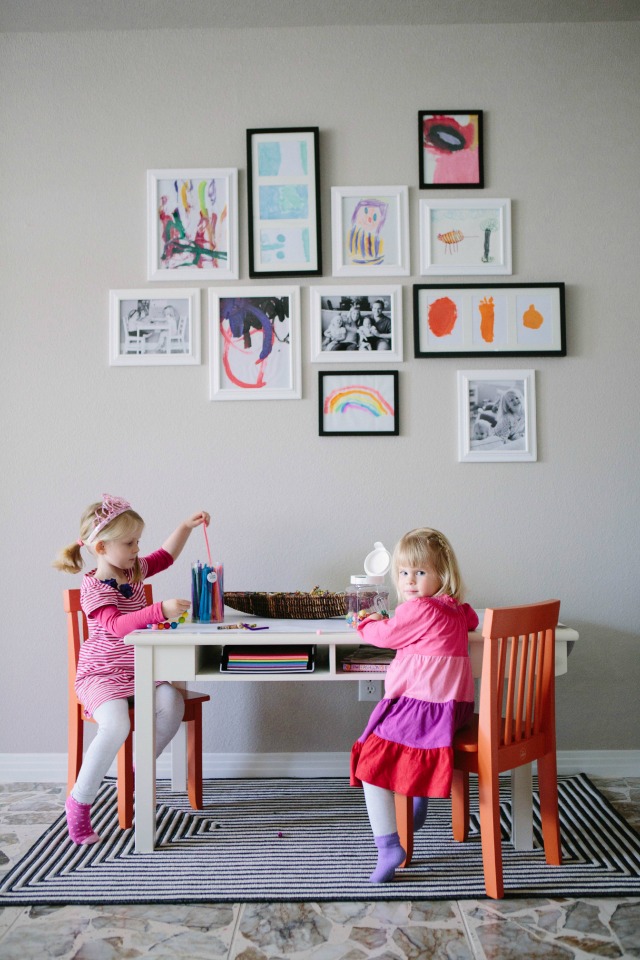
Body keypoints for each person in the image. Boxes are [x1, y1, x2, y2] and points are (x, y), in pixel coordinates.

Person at [53, 494, 210, 845]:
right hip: (101, 677)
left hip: (139, 674)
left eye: (138, 541)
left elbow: (165, 556)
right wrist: (159, 610)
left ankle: (138, 768)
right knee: (117, 724)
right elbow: (119, 626)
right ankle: (79, 802)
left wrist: (185, 526)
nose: (137, 549)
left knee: (172, 703)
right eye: (129, 543)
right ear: (101, 547)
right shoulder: (93, 587)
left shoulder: (133, 571)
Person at [350, 527, 478, 883]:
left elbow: (386, 636)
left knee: (370, 761)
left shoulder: (419, 609)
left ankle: (389, 844)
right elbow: (473, 620)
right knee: (398, 744)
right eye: (404, 572)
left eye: (420, 573)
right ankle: (418, 793)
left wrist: (365, 624)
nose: (409, 581)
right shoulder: (456, 608)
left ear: (443, 575)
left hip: (426, 710)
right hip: (457, 709)